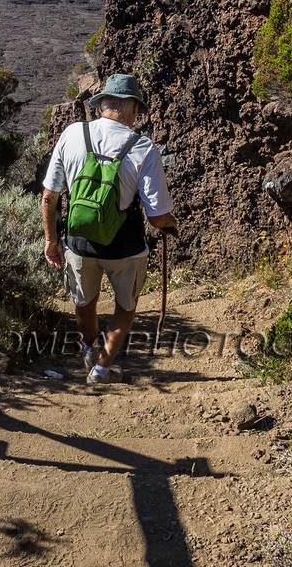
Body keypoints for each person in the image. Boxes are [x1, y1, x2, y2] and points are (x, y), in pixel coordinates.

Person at [40, 72, 177, 385]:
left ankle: (90, 350)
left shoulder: (73, 133)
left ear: (101, 105)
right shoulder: (143, 147)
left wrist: (51, 241)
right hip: (124, 248)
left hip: (78, 243)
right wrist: (172, 225)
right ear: (131, 108)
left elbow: (49, 196)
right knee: (125, 307)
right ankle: (101, 370)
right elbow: (158, 217)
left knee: (83, 301)